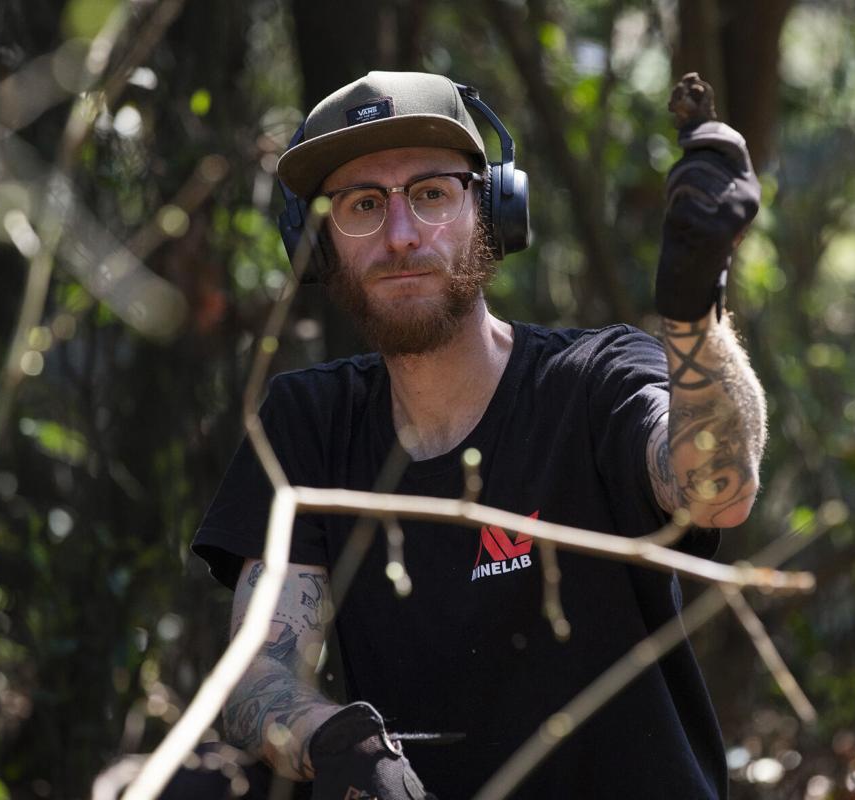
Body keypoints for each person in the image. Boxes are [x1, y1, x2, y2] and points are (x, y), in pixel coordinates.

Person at [187, 70, 765, 799]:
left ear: (492, 209)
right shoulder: (311, 423)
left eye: (431, 194)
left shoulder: (595, 382)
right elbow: (256, 678)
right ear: (319, 242)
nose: (401, 236)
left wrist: (694, 315)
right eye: (362, 205)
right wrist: (335, 740)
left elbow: (718, 492)